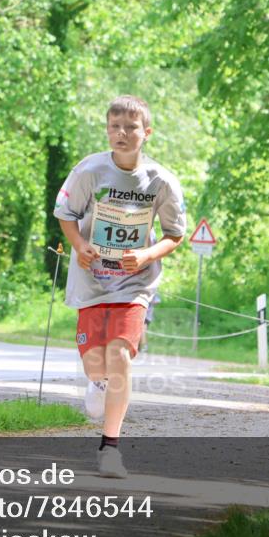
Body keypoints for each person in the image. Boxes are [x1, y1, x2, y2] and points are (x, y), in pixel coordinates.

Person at [54, 95, 186, 479]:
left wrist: (146, 256)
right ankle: (97, 383)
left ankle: (110, 447)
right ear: (107, 130)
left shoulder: (161, 181)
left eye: (130, 127)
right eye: (114, 127)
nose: (121, 134)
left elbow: (174, 234)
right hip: (93, 280)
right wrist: (79, 247)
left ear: (147, 133)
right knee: (96, 362)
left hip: (134, 283)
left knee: (120, 356)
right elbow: (65, 214)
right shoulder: (89, 171)